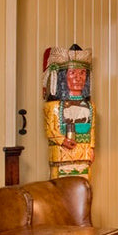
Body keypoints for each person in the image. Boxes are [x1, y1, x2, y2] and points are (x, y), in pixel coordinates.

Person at [42, 45, 95, 179]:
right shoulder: (53, 106)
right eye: (72, 73)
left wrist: (91, 148)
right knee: (60, 189)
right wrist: (63, 141)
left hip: (84, 155)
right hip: (61, 156)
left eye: (82, 73)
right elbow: (50, 130)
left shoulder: (90, 106)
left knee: (83, 187)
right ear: (62, 77)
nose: (78, 78)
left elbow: (92, 129)